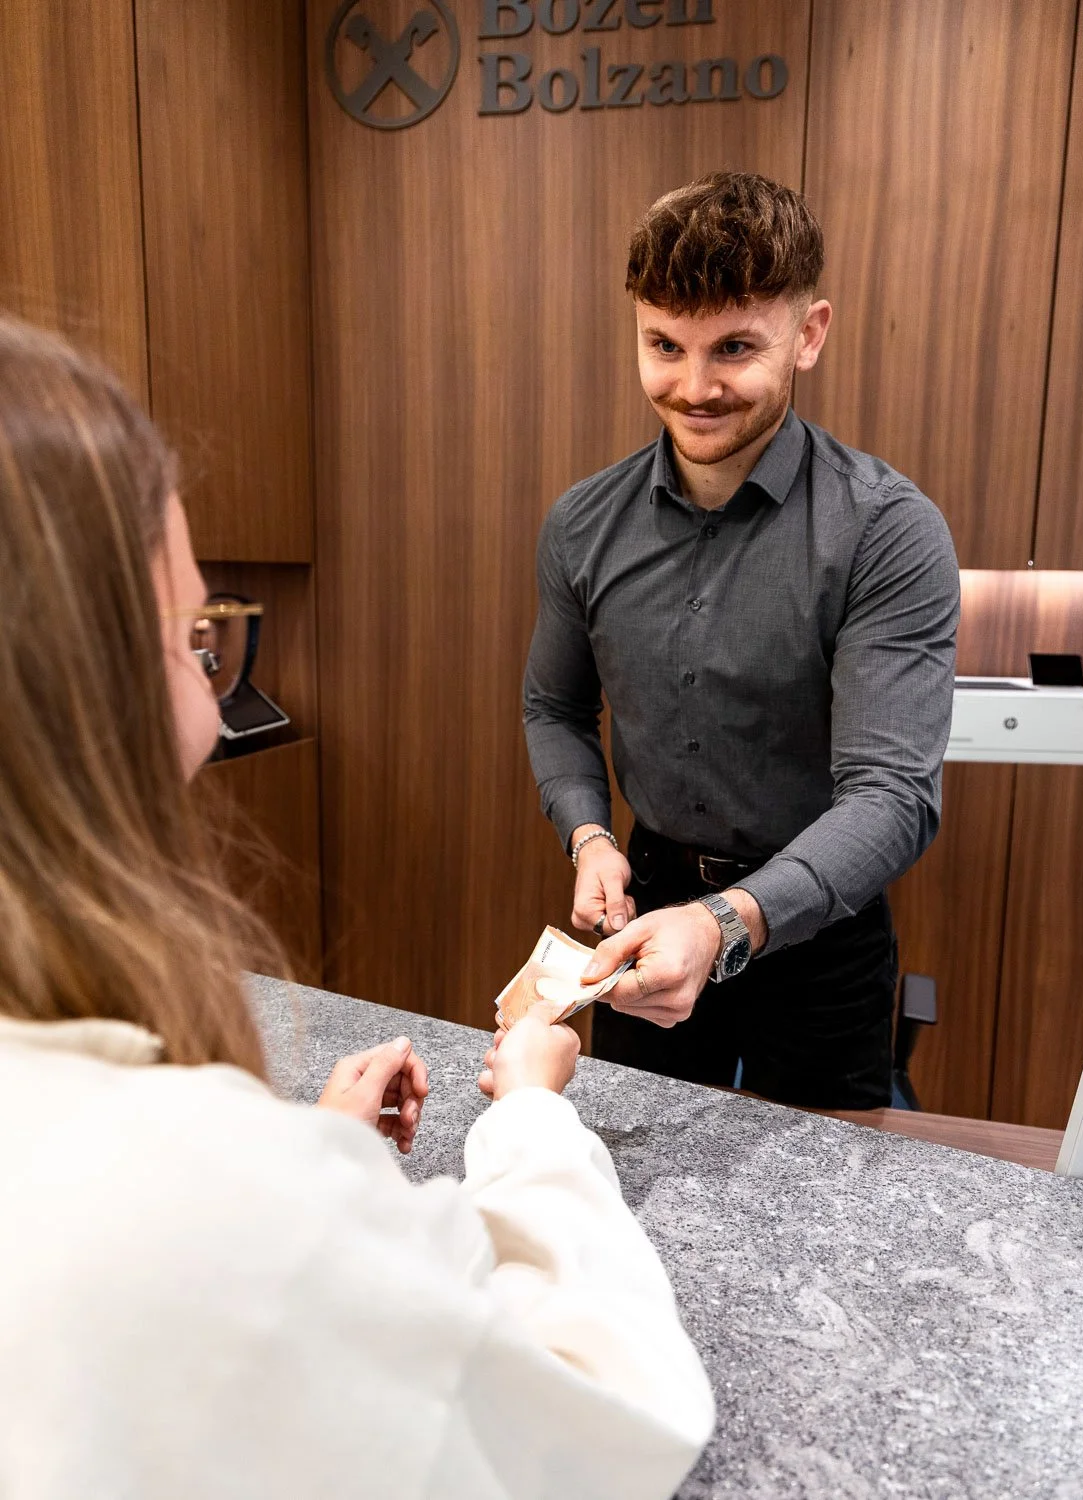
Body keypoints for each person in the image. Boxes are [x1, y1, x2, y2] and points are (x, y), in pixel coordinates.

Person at [0, 317, 712, 1499]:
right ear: (85, 690)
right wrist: (530, 1116)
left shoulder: (881, 526)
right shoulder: (211, 1202)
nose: (216, 698)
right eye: (193, 638)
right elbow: (612, 1416)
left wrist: (312, 1158)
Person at [523, 172, 960, 1110]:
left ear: (808, 334)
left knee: (826, 1208)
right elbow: (554, 706)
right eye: (663, 346)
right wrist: (590, 838)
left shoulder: (885, 529)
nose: (693, 386)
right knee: (633, 1186)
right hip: (643, 907)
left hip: (820, 932)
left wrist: (725, 923)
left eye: (732, 348)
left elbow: (891, 794)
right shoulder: (580, 525)